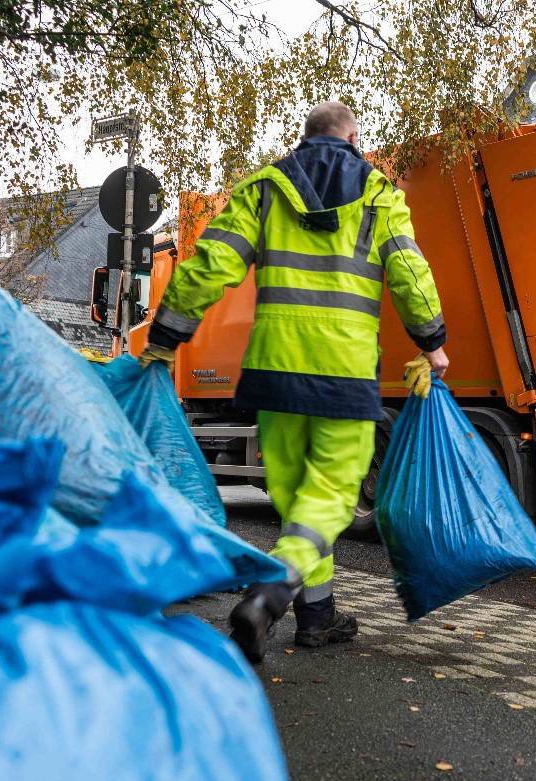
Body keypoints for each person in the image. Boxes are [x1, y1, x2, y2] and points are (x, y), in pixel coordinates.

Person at [139, 100, 449, 662]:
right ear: (353, 136)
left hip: (276, 372)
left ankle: (318, 615)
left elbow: (212, 264)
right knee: (328, 498)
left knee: (298, 503)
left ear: (305, 138)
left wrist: (165, 336)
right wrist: (433, 342)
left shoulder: (264, 188)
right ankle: (270, 595)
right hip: (344, 373)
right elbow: (409, 273)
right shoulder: (380, 195)